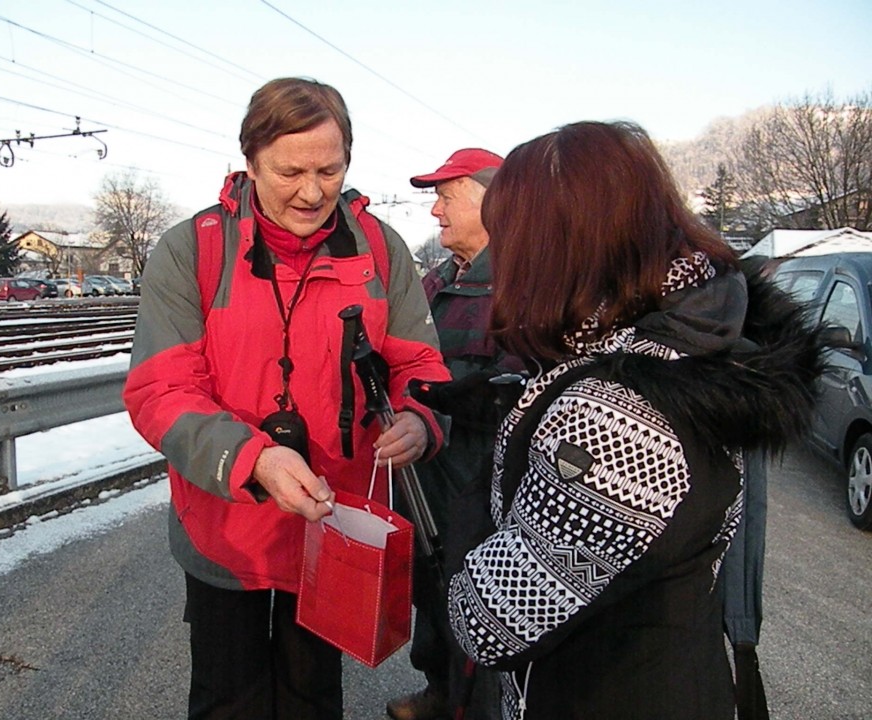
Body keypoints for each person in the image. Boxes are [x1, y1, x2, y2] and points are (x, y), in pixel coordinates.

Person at [446, 121, 826, 719]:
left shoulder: (612, 419)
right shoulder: (686, 346)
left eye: (510, 237)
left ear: (554, 247)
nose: (503, 261)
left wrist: (466, 505)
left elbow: (486, 621)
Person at [123, 77, 451, 720]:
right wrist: (254, 460)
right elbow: (160, 390)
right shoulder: (194, 250)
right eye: (289, 171)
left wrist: (419, 418)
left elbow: (421, 365)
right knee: (228, 696)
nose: (311, 191)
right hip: (227, 523)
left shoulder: (380, 250)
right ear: (248, 163)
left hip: (332, 524)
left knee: (312, 696)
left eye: (330, 170)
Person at [386, 148, 509, 720]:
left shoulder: (521, 288)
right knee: (431, 593)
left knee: (479, 602)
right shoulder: (434, 283)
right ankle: (439, 693)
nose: (434, 211)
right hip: (427, 479)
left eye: (446, 195)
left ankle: (475, 708)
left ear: (493, 199)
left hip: (481, 486)